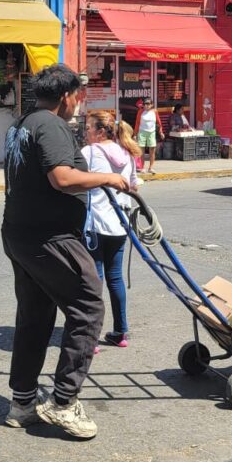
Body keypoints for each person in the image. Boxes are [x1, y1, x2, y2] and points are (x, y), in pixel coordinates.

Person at [1, 64, 129, 440]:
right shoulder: (52, 125)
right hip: (50, 237)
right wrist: (109, 178)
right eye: (78, 96)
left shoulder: (21, 124)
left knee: (35, 316)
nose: (79, 103)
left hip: (20, 233)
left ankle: (22, 402)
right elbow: (62, 178)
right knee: (88, 307)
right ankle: (63, 402)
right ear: (67, 96)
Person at [81, 111, 140, 351]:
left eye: (88, 128)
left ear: (100, 131)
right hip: (119, 223)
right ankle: (120, 331)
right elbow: (134, 186)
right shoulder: (126, 153)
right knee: (115, 278)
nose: (85, 132)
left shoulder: (89, 153)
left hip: (94, 225)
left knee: (93, 281)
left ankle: (91, 337)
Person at [136, 99, 159, 174]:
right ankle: (142, 167)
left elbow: (159, 122)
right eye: (145, 104)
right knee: (141, 151)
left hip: (151, 132)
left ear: (152, 104)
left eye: (148, 104)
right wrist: (135, 134)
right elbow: (137, 123)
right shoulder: (141, 111)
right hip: (142, 132)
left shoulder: (154, 112)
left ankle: (151, 167)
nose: (146, 105)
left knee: (152, 151)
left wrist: (161, 131)